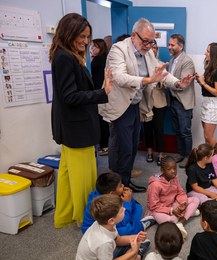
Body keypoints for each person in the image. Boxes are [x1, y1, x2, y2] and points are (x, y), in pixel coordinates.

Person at [98, 18, 194, 193]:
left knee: (133, 145)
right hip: (120, 106)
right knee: (123, 146)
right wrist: (149, 80)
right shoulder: (118, 49)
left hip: (134, 105)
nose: (149, 46)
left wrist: (179, 83)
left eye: (152, 42)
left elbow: (161, 72)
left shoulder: (147, 52)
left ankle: (125, 182)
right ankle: (120, 187)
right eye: (146, 41)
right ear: (134, 36)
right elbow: (120, 77)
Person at [49, 13, 111, 228]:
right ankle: (86, 221)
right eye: (82, 36)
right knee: (83, 179)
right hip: (77, 131)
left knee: (68, 178)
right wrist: (101, 92)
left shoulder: (67, 55)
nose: (86, 41)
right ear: (69, 33)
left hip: (73, 129)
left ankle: (67, 216)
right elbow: (70, 97)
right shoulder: (65, 57)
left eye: (88, 37)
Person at [76, 194, 148, 260]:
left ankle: (134, 255)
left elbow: (118, 240)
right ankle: (137, 255)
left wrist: (136, 237)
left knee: (135, 242)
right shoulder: (104, 242)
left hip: (102, 257)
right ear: (111, 221)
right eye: (121, 210)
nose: (125, 209)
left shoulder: (106, 224)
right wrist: (133, 252)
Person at [81, 172, 156, 236]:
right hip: (97, 233)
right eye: (120, 186)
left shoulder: (105, 193)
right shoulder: (104, 206)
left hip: (111, 222)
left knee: (138, 207)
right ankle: (140, 226)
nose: (123, 186)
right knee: (128, 229)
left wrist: (128, 199)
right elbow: (121, 221)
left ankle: (135, 223)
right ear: (111, 193)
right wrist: (127, 202)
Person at [146, 156, 200, 238]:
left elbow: (180, 192)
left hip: (173, 204)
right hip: (159, 209)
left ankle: (180, 222)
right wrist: (171, 211)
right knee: (168, 220)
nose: (173, 171)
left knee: (196, 200)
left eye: (175, 168)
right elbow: (153, 205)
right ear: (162, 170)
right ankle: (186, 215)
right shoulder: (155, 185)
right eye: (169, 169)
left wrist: (183, 203)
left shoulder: (174, 178)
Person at [167, 34, 196, 168]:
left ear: (181, 46)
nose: (169, 47)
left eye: (172, 45)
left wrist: (169, 83)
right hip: (173, 100)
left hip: (183, 102)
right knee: (177, 130)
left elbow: (183, 84)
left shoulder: (187, 62)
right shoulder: (172, 60)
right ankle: (181, 153)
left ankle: (188, 156)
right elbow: (174, 81)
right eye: (169, 44)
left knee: (185, 131)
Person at [141, 40, 168, 166]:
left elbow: (166, 82)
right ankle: (150, 152)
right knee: (147, 129)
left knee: (159, 129)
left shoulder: (161, 65)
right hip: (145, 102)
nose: (154, 50)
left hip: (159, 102)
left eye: (156, 48)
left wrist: (159, 80)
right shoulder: (142, 65)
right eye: (152, 48)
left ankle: (161, 154)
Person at [194, 42, 217, 147]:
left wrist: (203, 83)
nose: (205, 53)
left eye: (207, 51)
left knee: (208, 137)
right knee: (206, 137)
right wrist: (199, 80)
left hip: (213, 105)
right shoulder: (209, 68)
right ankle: (209, 160)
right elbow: (207, 87)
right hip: (206, 103)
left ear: (214, 54)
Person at [90, 38, 110, 156]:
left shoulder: (97, 60)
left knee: (101, 120)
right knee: (103, 120)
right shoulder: (105, 59)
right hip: (103, 92)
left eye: (95, 47)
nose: (92, 49)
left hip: (98, 93)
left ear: (101, 48)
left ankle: (104, 146)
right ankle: (105, 145)